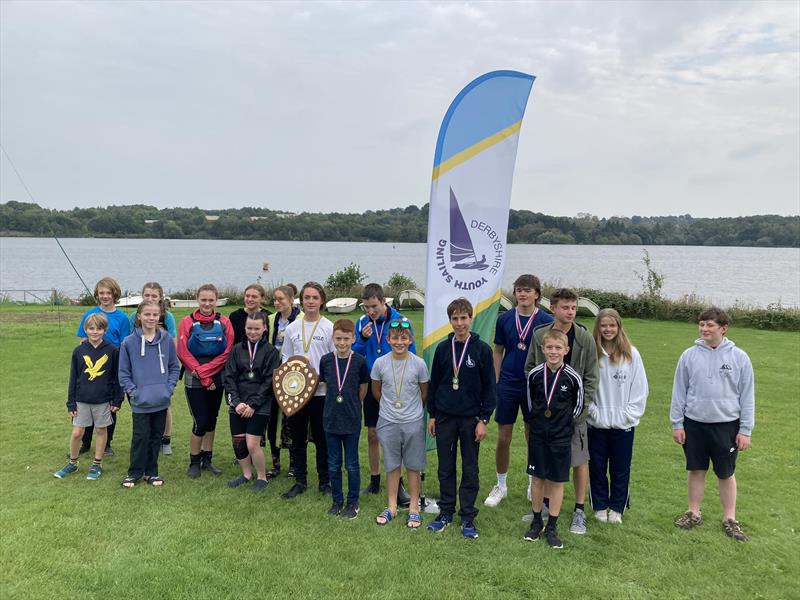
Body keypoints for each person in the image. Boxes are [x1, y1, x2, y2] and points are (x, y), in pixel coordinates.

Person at [670, 307, 754, 542]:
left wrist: (745, 430)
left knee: (726, 473)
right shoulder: (689, 356)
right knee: (696, 469)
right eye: (702, 324)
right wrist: (678, 423)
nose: (704, 329)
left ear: (723, 328)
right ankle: (693, 512)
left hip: (727, 426)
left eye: (710, 325)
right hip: (694, 423)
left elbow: (747, 397)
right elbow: (679, 392)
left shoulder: (739, 358)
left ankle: (730, 519)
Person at [525, 288, 598, 535]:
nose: (570, 312)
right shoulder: (539, 335)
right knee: (546, 461)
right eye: (565, 307)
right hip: (546, 414)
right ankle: (544, 507)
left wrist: (578, 412)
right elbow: (531, 370)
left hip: (573, 415)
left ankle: (579, 510)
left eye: (574, 308)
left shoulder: (584, 337)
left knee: (578, 461)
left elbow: (591, 377)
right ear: (553, 308)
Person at [427, 298, 496, 539]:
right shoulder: (443, 349)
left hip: (470, 419)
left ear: (471, 318)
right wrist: (433, 415)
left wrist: (483, 420)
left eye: (463, 318)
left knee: (469, 468)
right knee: (445, 467)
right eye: (454, 319)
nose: (459, 323)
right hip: (445, 417)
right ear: (450, 321)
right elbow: (435, 384)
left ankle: (467, 515)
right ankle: (446, 512)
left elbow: (489, 388)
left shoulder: (481, 350)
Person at [484, 274, 554, 508]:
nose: (523, 294)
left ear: (537, 294)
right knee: (504, 437)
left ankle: (531, 482)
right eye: (519, 290)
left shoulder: (546, 320)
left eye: (528, 290)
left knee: (532, 437)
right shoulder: (505, 319)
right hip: (508, 384)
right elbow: (498, 350)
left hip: (534, 386)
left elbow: (552, 352)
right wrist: (495, 381)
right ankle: (501, 485)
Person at [353, 283, 417, 502]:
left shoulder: (401, 321)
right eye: (367, 307)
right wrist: (362, 339)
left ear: (383, 301)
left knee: (395, 435)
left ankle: (398, 484)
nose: (371, 311)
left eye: (374, 306)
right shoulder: (361, 323)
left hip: (395, 385)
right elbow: (354, 354)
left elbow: (412, 352)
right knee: (373, 433)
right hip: (372, 383)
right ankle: (374, 480)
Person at [523, 329, 584, 549]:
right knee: (538, 478)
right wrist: (539, 424)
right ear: (543, 349)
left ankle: (552, 527)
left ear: (566, 350)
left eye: (558, 348)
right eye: (549, 347)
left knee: (557, 481)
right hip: (539, 435)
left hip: (560, 436)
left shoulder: (573, 377)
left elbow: (578, 407)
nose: (553, 351)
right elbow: (530, 404)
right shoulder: (535, 375)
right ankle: (537, 521)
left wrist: (563, 425)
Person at [587, 308, 648, 524]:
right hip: (597, 425)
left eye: (612, 325)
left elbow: (639, 390)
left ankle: (617, 507)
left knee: (620, 468)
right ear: (598, 328)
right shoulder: (592, 354)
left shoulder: (631, 354)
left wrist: (627, 416)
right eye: (604, 325)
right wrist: (593, 414)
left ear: (619, 327)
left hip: (623, 426)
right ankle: (600, 506)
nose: (608, 329)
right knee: (597, 467)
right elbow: (588, 389)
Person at [370, 318, 429, 528]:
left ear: (410, 339)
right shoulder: (380, 363)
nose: (399, 342)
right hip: (388, 420)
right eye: (395, 337)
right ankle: (392, 506)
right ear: (388, 339)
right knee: (392, 464)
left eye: (404, 338)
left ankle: (414, 507)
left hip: (412, 421)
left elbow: (424, 393)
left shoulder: (419, 364)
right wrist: (390, 409)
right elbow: (376, 390)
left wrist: (410, 412)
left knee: (413, 465)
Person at [280, 281, 335, 499]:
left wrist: (322, 378)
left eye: (314, 297)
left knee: (322, 438)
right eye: (306, 298)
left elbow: (332, 361)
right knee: (298, 437)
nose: (310, 301)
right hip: (296, 394)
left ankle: (325, 481)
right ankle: (300, 480)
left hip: (321, 392)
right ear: (301, 300)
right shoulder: (293, 327)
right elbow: (285, 358)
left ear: (321, 300)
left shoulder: (329, 327)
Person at [118, 300, 181, 488]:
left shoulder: (167, 339)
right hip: (140, 401)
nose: (151, 318)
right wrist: (133, 392)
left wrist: (168, 389)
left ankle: (151, 472)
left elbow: (173, 367)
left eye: (155, 315)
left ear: (160, 316)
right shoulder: (129, 342)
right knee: (140, 436)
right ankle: (134, 472)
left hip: (161, 400)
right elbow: (123, 372)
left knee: (156, 437)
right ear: (139, 316)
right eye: (147, 314)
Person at [54, 313, 123, 480]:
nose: (95, 332)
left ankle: (97, 464)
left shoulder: (112, 350)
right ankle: (73, 463)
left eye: (99, 328)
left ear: (104, 330)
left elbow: (117, 377)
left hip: (103, 400)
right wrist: (71, 402)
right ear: (85, 330)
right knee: (77, 432)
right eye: (91, 328)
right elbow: (73, 377)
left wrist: (117, 399)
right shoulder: (79, 351)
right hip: (81, 400)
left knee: (101, 430)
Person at [177, 284, 235, 478]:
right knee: (200, 421)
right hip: (194, 378)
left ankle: (207, 459)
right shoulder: (187, 322)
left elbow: (227, 353)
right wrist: (201, 375)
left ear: (216, 300)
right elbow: (183, 352)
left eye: (211, 300)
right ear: (197, 299)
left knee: (212, 420)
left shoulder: (224, 322)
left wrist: (207, 373)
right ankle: (194, 460)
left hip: (217, 377)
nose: (207, 304)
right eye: (203, 300)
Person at [223, 311, 281, 492]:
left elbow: (269, 381)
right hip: (238, 404)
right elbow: (229, 377)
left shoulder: (271, 352)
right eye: (249, 328)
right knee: (239, 443)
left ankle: (262, 477)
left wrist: (254, 405)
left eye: (257, 328)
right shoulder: (236, 349)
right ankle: (246, 474)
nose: (253, 332)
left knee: (252, 444)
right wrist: (237, 402)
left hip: (260, 404)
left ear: (264, 328)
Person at [319, 319, 370, 518]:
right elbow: (324, 383)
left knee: (351, 463)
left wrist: (354, 405)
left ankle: (352, 502)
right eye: (338, 338)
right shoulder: (326, 360)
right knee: (333, 463)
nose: (342, 343)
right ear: (332, 338)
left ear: (353, 339)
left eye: (346, 339)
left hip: (351, 419)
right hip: (330, 418)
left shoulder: (359, 361)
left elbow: (363, 388)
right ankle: (337, 501)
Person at [76, 276, 131, 456]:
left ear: (115, 294)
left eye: (108, 293)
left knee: (108, 406)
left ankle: (107, 443)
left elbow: (124, 343)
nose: (105, 296)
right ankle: (85, 442)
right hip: (91, 367)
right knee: (88, 404)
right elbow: (82, 339)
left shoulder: (122, 318)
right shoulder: (90, 314)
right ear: (97, 295)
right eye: (102, 293)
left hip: (112, 365)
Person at [129, 282, 177, 455]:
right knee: (141, 405)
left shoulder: (167, 317)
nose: (150, 298)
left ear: (160, 298)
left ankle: (165, 439)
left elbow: (173, 344)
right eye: (147, 295)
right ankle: (145, 439)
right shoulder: (134, 315)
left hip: (160, 368)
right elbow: (129, 342)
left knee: (164, 406)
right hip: (140, 371)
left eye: (154, 296)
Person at [266, 284, 303, 479]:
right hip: (273, 375)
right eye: (275, 299)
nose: (277, 302)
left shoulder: (302, 320)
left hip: (294, 376)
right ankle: (275, 463)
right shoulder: (271, 319)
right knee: (273, 420)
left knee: (291, 420)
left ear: (291, 299)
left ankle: (293, 464)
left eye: (281, 299)